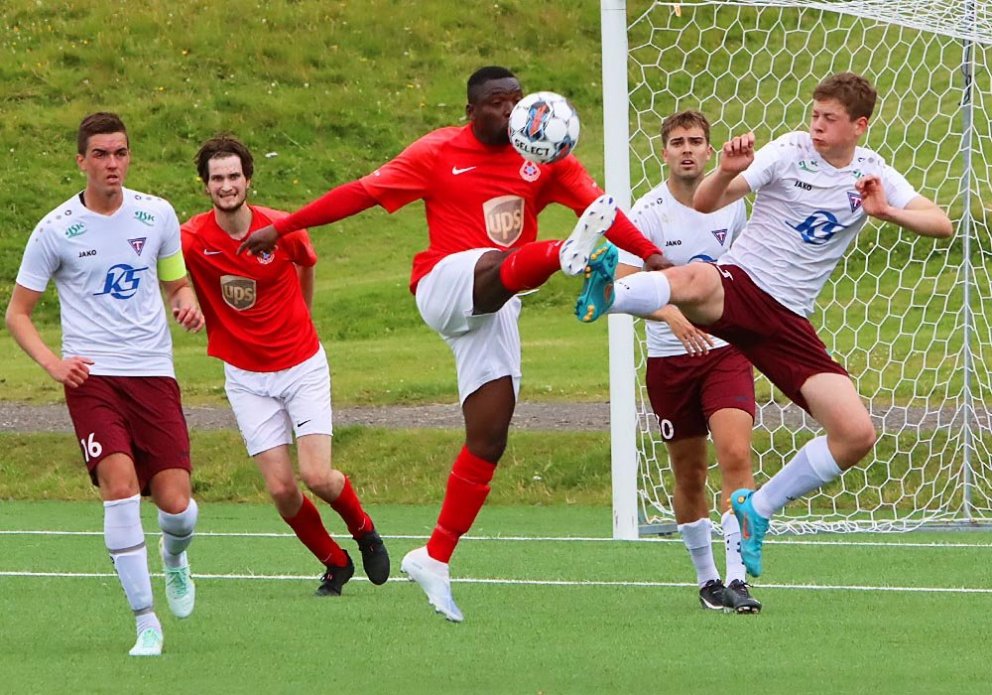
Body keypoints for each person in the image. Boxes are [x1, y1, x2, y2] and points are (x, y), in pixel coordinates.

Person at [238, 65, 669, 622]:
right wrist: (285, 225)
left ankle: (435, 558)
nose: (510, 111)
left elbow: (602, 211)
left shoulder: (546, 157)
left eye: (516, 100)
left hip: (497, 303)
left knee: (490, 435)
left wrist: (654, 255)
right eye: (496, 102)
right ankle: (567, 256)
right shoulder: (437, 152)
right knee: (502, 263)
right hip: (445, 283)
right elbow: (361, 194)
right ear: (471, 111)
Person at [582, 72, 953, 578]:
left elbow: (941, 223)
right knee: (691, 279)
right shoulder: (789, 150)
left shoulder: (872, 172)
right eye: (815, 115)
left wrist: (886, 210)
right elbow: (707, 202)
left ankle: (759, 508)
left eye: (830, 119)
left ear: (859, 126)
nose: (817, 126)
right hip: (745, 282)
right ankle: (609, 293)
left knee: (856, 433)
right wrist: (727, 171)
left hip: (788, 322)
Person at [5, 112, 205, 657]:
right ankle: (146, 622)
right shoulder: (55, 230)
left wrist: (185, 305)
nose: (112, 163)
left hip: (153, 373)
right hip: (91, 379)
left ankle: (175, 556)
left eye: (119, 153)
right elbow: (18, 313)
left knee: (177, 504)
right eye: (100, 154)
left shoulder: (156, 214)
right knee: (119, 489)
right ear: (81, 161)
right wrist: (53, 363)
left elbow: (176, 284)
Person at [180, 134, 389, 596]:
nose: (227, 185)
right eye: (218, 178)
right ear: (206, 187)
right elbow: (175, 279)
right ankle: (335, 564)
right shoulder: (192, 238)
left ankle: (364, 530)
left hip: (301, 367)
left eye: (234, 176)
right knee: (281, 490)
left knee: (318, 476)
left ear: (248, 180)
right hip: (246, 378)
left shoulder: (281, 227)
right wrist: (187, 302)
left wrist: (304, 319)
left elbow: (306, 264)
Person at [619, 110, 759, 613]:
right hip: (670, 362)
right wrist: (670, 314)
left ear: (707, 150)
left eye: (696, 141)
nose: (686, 149)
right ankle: (708, 582)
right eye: (677, 141)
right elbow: (623, 284)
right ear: (664, 152)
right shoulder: (647, 214)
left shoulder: (731, 206)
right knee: (689, 475)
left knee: (736, 456)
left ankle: (739, 577)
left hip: (725, 353)